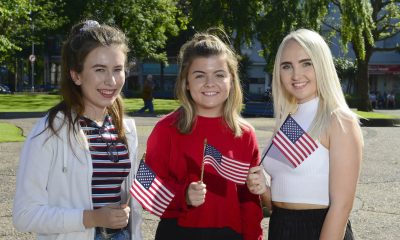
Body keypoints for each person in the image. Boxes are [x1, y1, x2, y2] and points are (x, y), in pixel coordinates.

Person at [13, 20, 143, 240]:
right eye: (99, 69)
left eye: (118, 69)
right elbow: (24, 215)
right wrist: (92, 218)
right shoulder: (50, 130)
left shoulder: (126, 129)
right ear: (76, 75)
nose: (111, 80)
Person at [145, 32, 263, 240]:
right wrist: (183, 195)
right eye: (200, 75)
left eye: (219, 75)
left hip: (229, 234)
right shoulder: (166, 129)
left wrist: (254, 237)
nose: (210, 83)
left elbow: (249, 200)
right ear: (187, 82)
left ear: (231, 80)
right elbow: (148, 187)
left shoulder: (245, 134)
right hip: (178, 233)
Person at [247, 29, 363, 240]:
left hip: (320, 229)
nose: (296, 75)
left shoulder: (339, 120)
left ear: (322, 65)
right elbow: (282, 199)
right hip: (281, 226)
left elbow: (342, 206)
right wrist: (264, 189)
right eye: (286, 66)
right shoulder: (287, 119)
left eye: (306, 63)